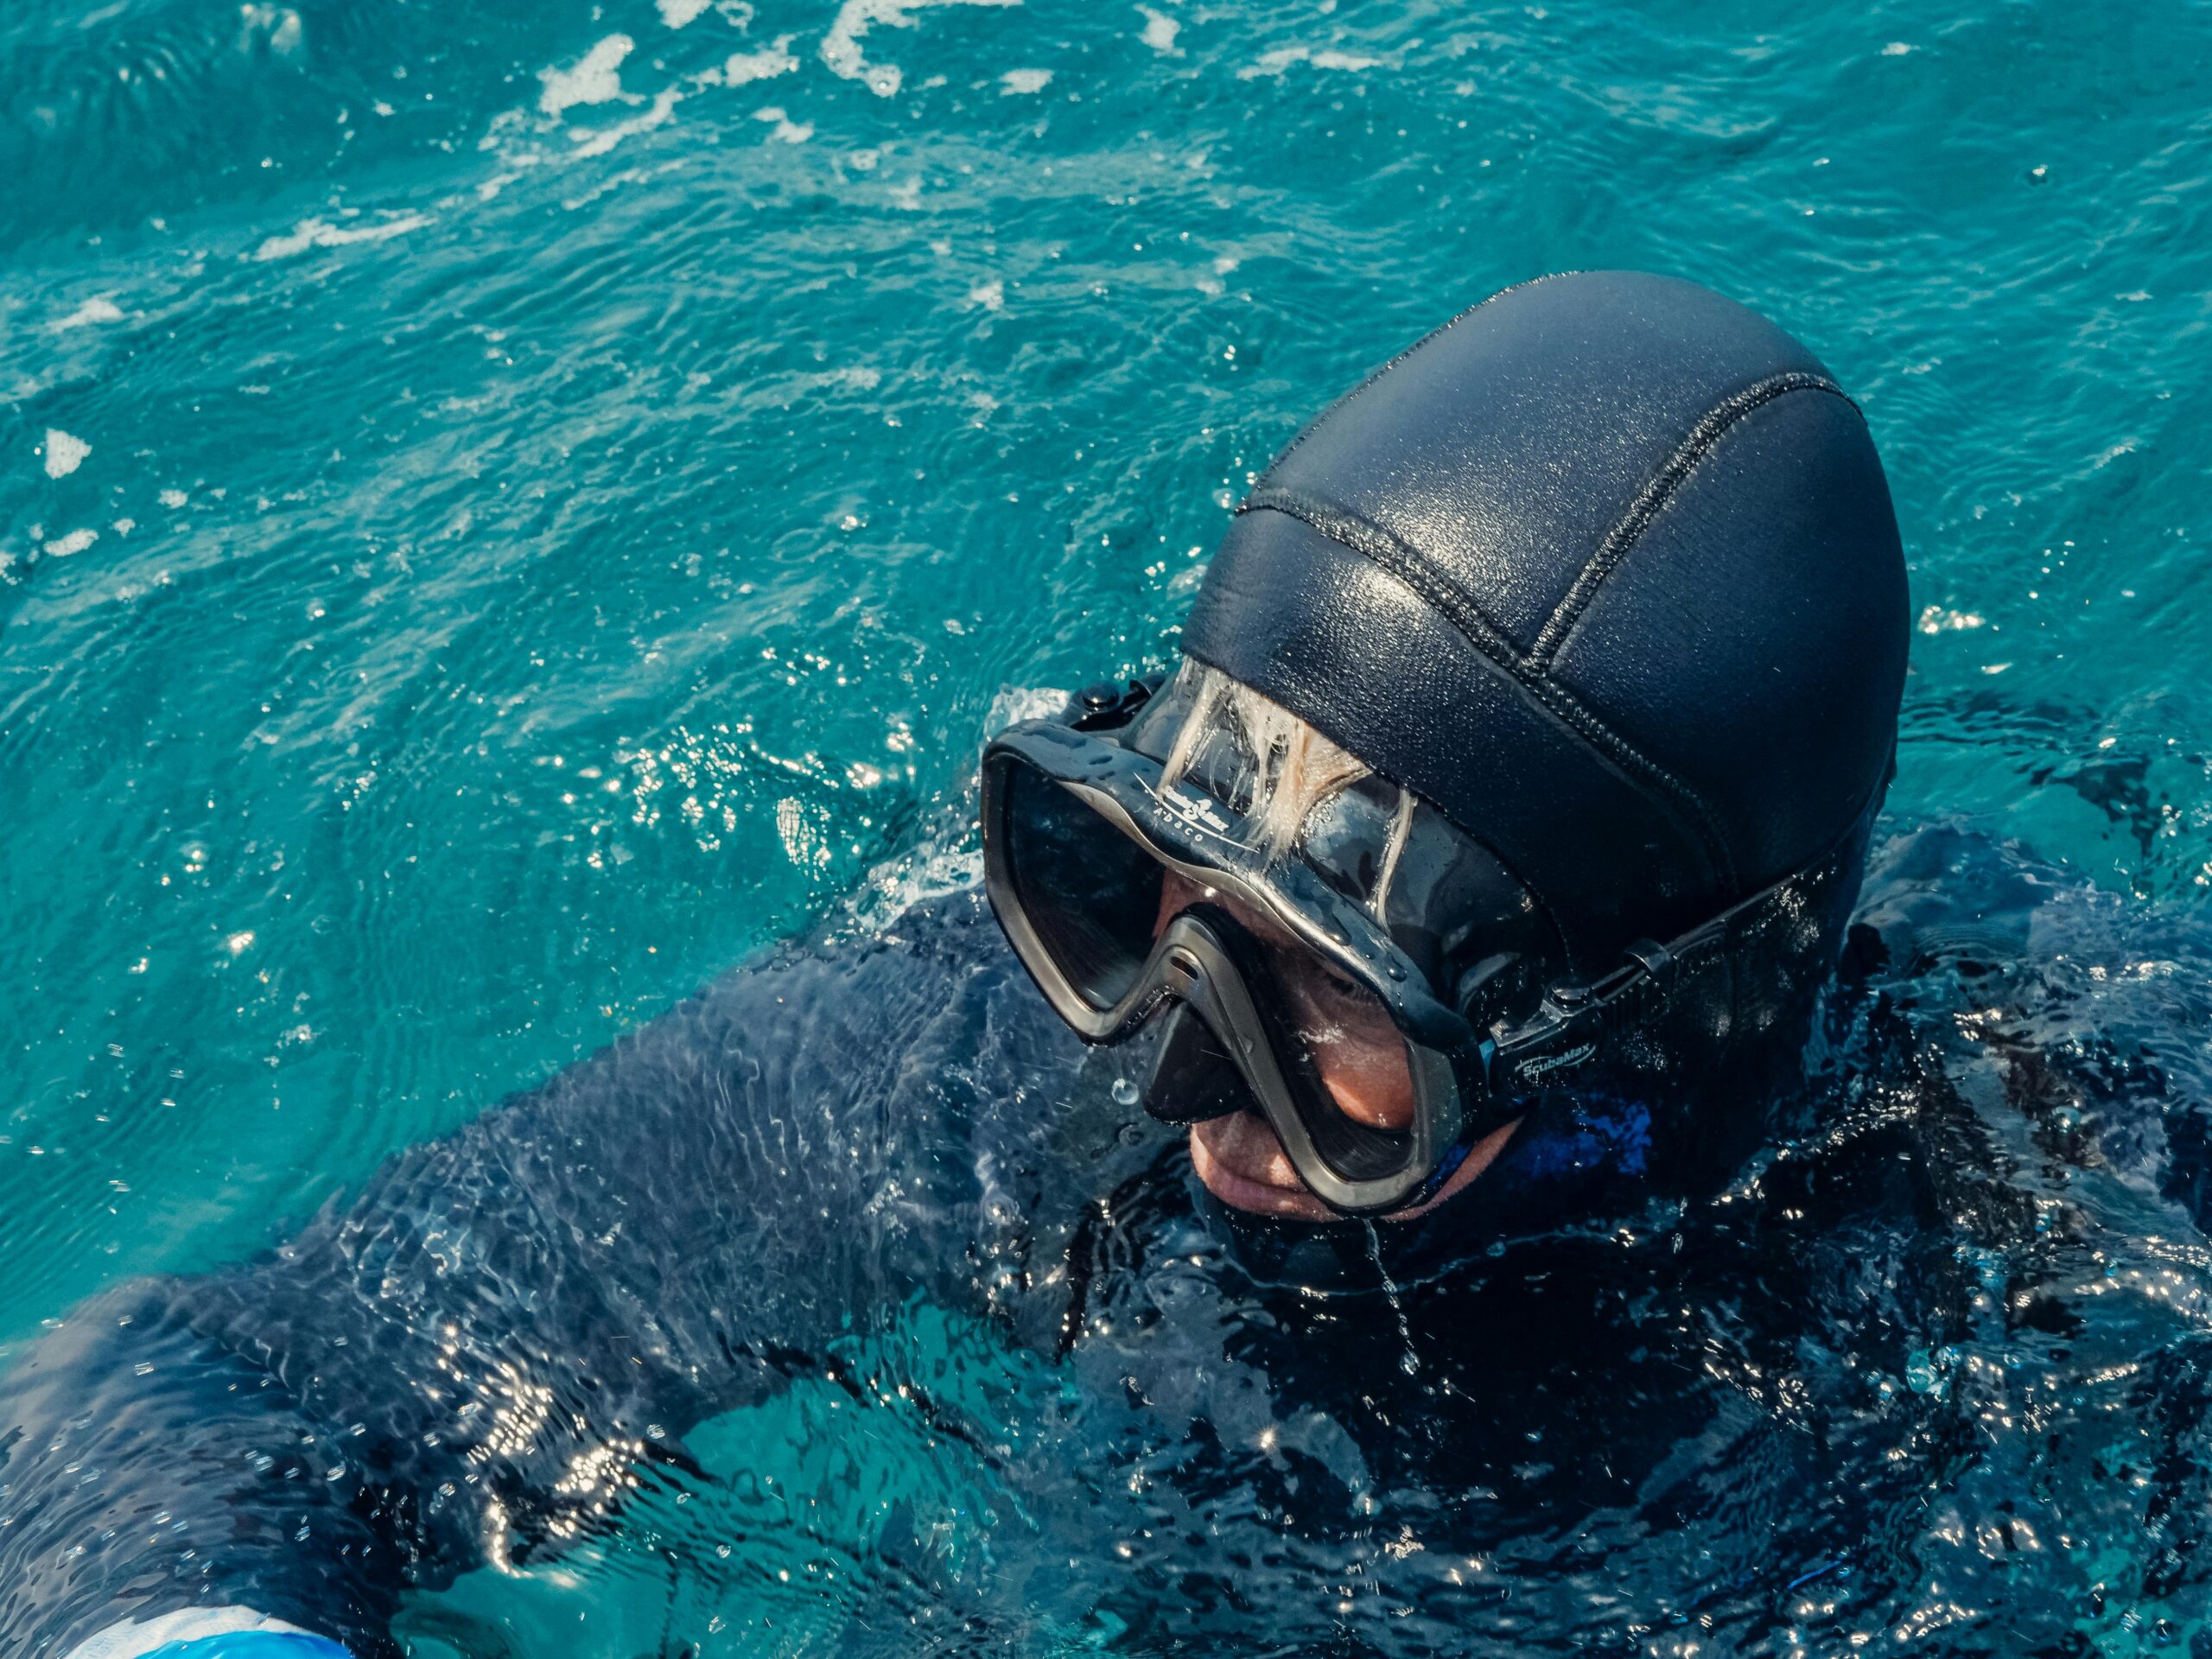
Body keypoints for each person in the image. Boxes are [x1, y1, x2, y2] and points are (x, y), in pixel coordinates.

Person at [3, 270, 1908, 1658]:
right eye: (1150, 898)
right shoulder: (990, 1064)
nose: (1182, 1083)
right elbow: (196, 1386)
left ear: (1632, 1034)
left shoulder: (1990, 1263)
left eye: (1334, 1005)